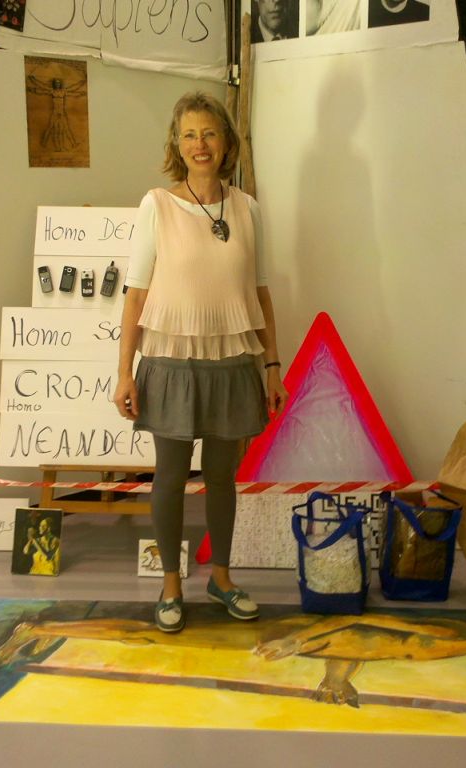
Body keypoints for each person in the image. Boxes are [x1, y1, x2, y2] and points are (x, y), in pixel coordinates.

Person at [114, 92, 288, 633]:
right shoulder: (156, 205)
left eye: (209, 133)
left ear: (227, 141)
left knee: (222, 477)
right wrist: (123, 373)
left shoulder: (247, 209)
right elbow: (136, 296)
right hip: (170, 361)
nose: (200, 144)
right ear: (177, 144)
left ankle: (222, 578)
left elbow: (261, 294)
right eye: (189, 135)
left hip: (233, 361)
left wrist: (272, 366)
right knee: (169, 477)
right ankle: (171, 584)